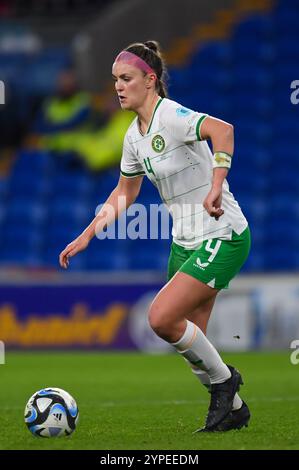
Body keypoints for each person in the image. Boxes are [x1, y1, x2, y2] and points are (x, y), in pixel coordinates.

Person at [59, 40, 251, 432]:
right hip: (185, 241)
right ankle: (233, 408)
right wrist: (88, 234)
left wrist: (217, 184)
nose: (118, 86)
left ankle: (227, 382)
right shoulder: (133, 136)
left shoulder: (172, 116)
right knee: (195, 343)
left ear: (150, 81)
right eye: (115, 80)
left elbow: (223, 131)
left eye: (126, 78)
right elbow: (125, 193)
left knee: (161, 318)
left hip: (222, 233)